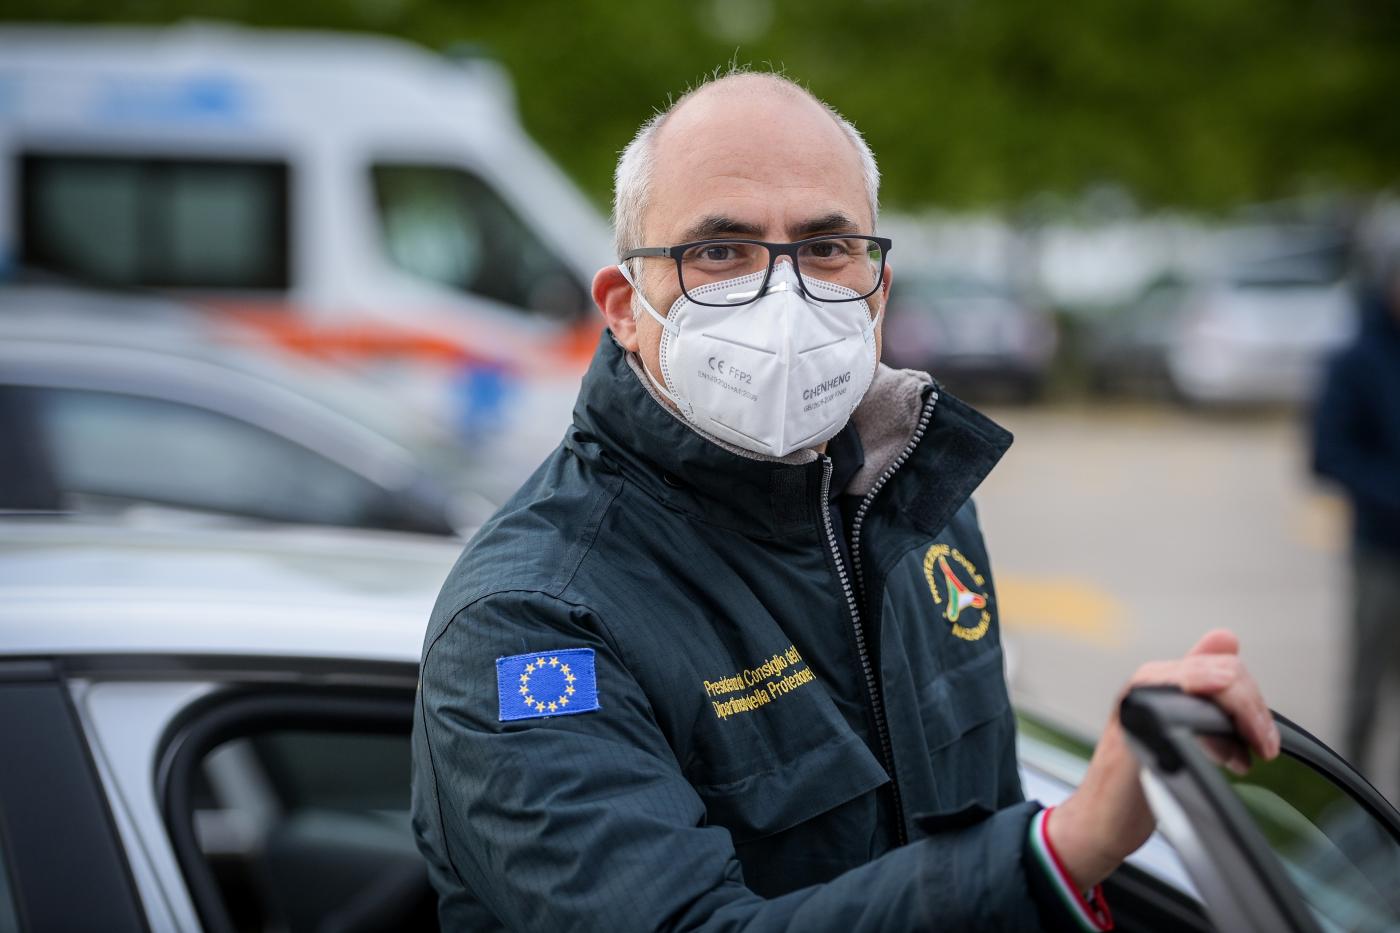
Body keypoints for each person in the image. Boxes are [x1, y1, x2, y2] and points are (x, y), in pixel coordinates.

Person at [410, 69, 1279, 931]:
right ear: (625, 307)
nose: (784, 297)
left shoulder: (912, 508)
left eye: (827, 248)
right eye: (720, 252)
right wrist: (1060, 848)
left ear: (878, 290)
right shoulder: (531, 621)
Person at [1312, 222, 1400, 787]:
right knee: (1367, 686)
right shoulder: (1356, 359)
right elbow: (1327, 456)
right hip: (1382, 549)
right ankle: (1353, 801)